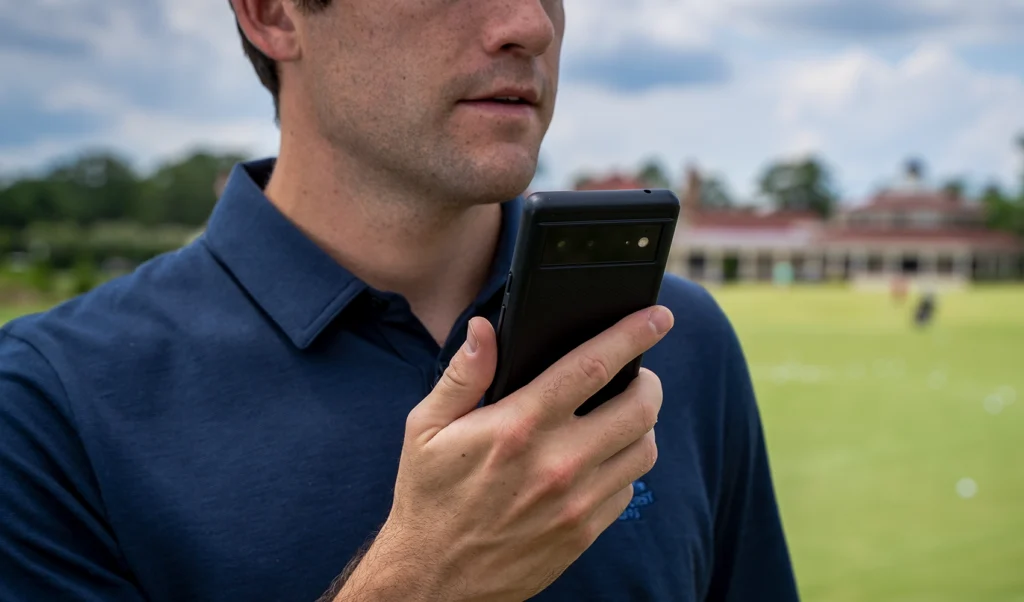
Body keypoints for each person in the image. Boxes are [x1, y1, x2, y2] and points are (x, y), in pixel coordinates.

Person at [0, 1, 798, 601]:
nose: (530, 25)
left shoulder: (669, 338)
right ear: (274, 13)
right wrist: (420, 582)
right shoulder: (47, 407)